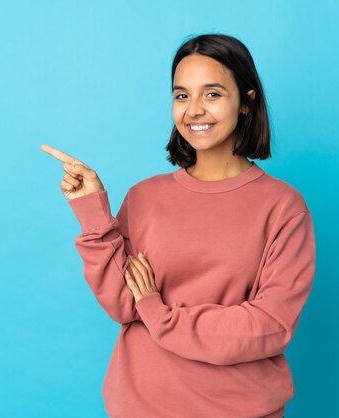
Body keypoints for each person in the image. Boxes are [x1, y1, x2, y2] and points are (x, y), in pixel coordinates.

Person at [41, 33, 316, 418]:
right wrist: (92, 211)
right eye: (182, 95)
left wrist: (159, 313)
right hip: (140, 406)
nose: (194, 110)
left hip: (241, 409)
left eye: (213, 94)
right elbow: (123, 303)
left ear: (247, 102)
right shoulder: (145, 197)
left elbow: (268, 326)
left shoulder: (282, 207)